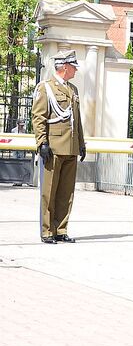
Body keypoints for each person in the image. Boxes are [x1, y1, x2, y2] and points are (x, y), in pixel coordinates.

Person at [31, 49, 86, 244]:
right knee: (49, 191)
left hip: (70, 147)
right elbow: (39, 117)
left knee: (66, 192)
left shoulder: (73, 89)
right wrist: (42, 142)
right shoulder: (45, 88)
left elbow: (76, 120)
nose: (76, 70)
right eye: (73, 67)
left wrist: (81, 143)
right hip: (53, 147)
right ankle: (47, 231)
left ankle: (61, 229)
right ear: (64, 67)